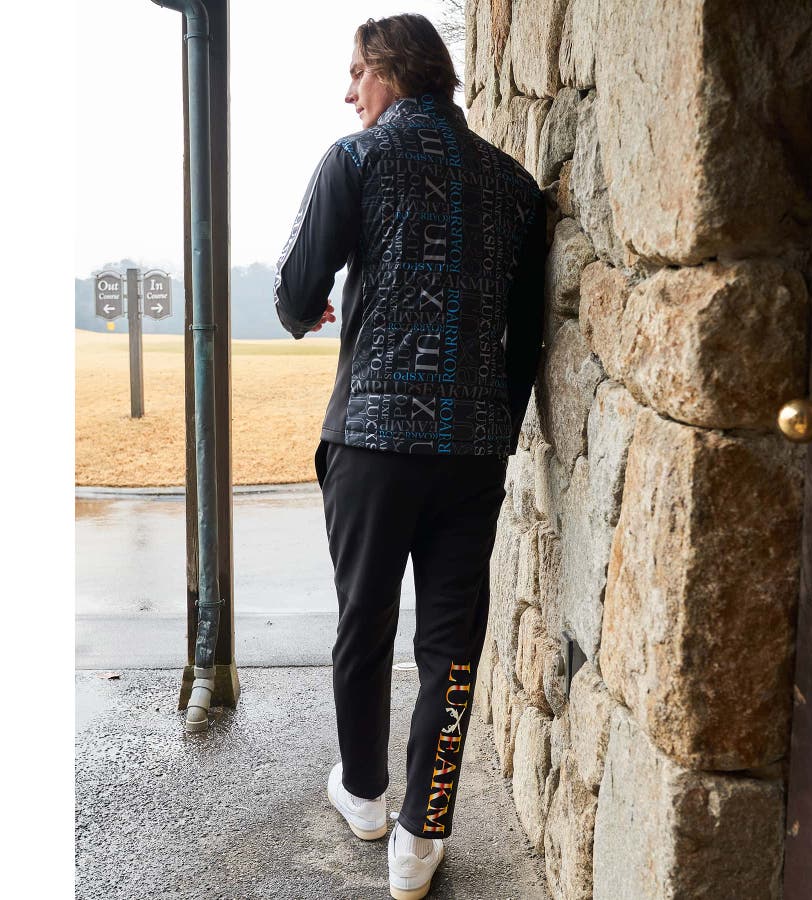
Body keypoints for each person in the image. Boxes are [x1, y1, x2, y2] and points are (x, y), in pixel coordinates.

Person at [273, 13, 546, 899]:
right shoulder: (515, 184)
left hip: (372, 443)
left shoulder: (354, 160)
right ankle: (422, 835)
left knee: (365, 619)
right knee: (451, 646)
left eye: (356, 72)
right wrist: (494, 432)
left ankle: (362, 792)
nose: (348, 92)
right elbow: (527, 337)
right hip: (471, 454)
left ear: (391, 70)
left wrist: (309, 309)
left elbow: (294, 291)